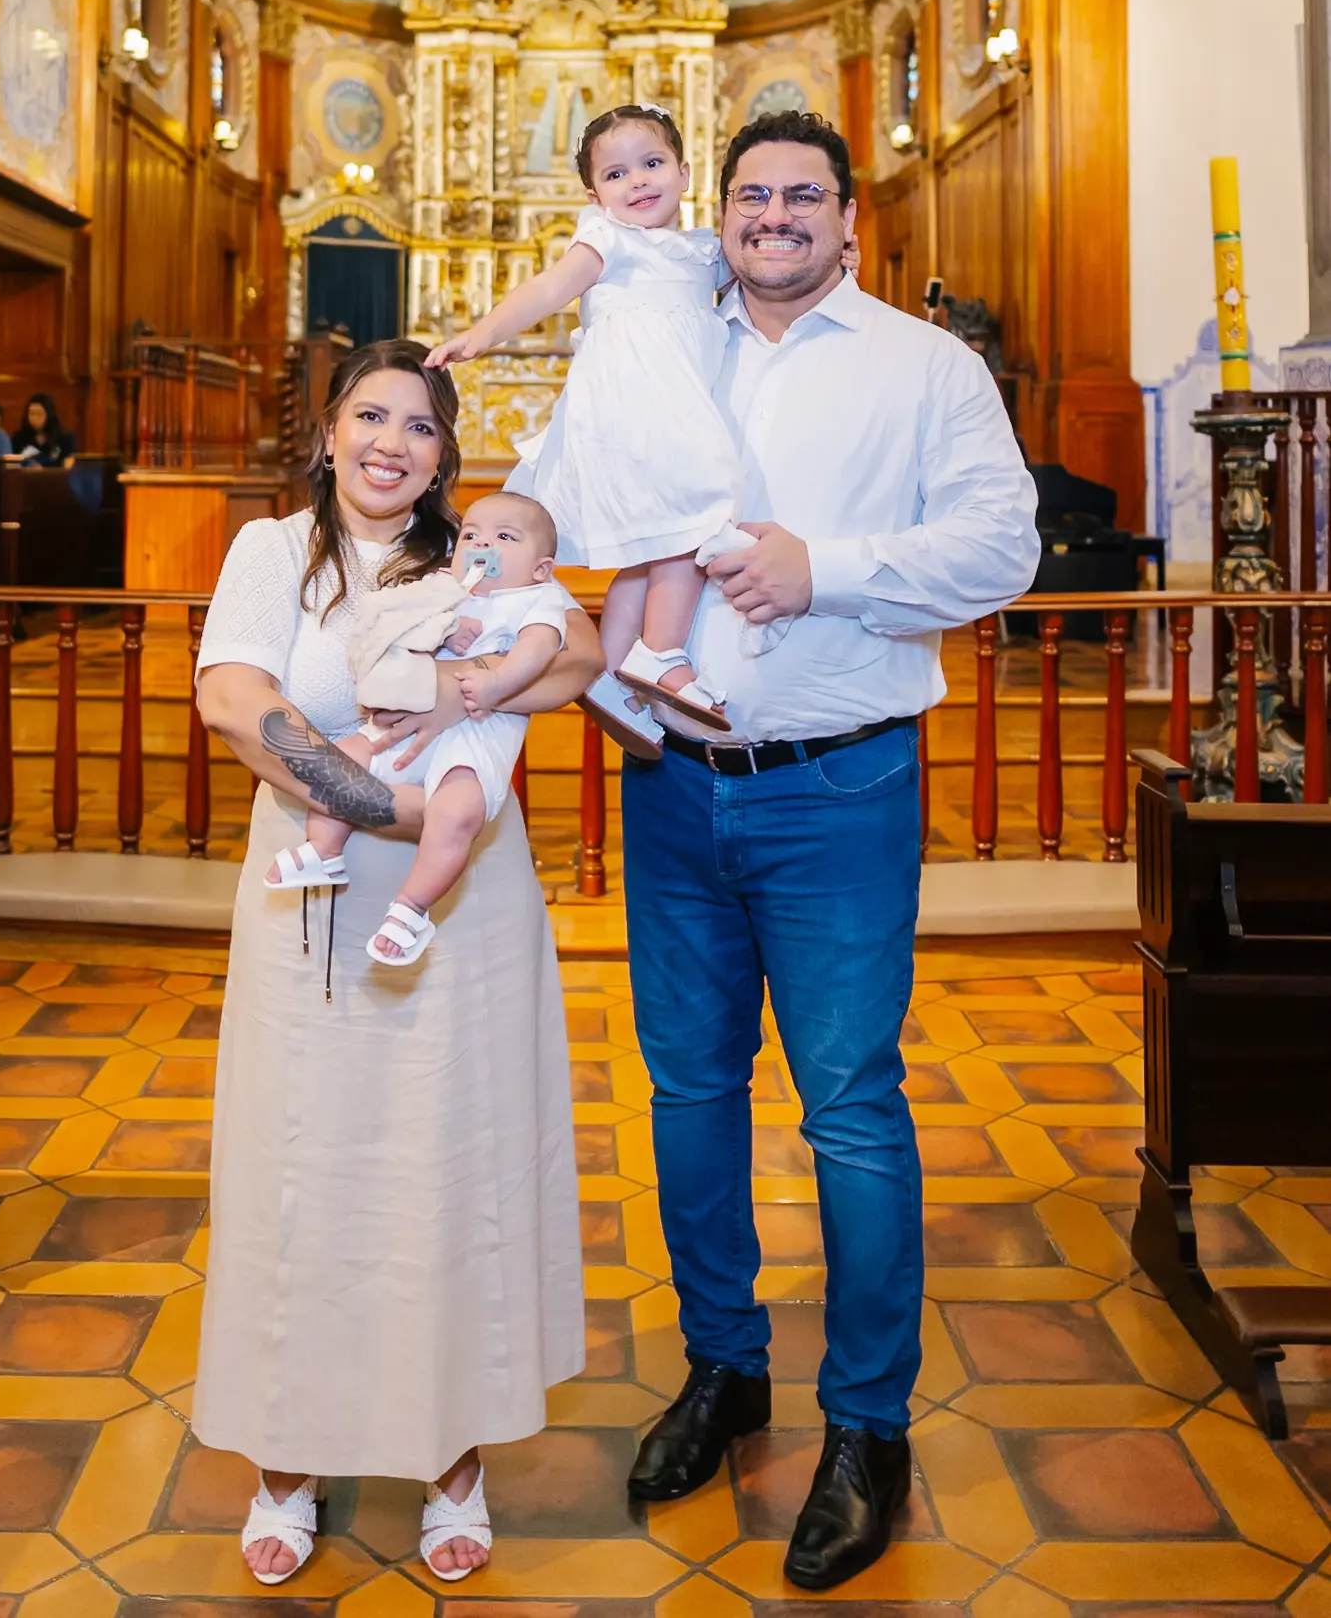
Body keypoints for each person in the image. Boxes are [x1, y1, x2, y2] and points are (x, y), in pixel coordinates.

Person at [619, 110, 1039, 1594]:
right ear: (718, 217)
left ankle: (866, 1424)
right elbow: (596, 504)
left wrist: (829, 569)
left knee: (850, 1108)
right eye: (750, 196)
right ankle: (722, 1368)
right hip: (670, 786)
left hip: (838, 789)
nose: (774, 215)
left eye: (803, 195)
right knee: (684, 1090)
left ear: (850, 219)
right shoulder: (662, 341)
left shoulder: (923, 368)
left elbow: (1003, 546)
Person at [192, 339, 597, 1588]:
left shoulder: (477, 556)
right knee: (298, 1172)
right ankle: (287, 1454)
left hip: (459, 918)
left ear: (443, 454)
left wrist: (496, 680)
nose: (391, 442)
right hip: (317, 898)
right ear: (326, 433)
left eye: (420, 426)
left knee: (444, 1168)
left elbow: (577, 657)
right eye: (370, 416)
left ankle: (450, 1458)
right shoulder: (271, 552)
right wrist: (384, 805)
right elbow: (232, 699)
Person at [428, 105, 757, 753]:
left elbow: (765, 272)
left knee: (646, 549)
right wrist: (481, 335)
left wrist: (841, 262)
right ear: (594, 195)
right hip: (633, 409)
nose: (636, 181)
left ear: (685, 172)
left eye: (652, 164)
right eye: (616, 173)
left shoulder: (701, 253)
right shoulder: (608, 240)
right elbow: (547, 292)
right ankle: (660, 652)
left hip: (669, 408)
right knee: (697, 515)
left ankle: (606, 675)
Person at [263, 491, 567, 968]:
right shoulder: (444, 586)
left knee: (455, 812)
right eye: (471, 535)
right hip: (401, 723)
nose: (482, 544)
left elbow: (540, 649)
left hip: (476, 734)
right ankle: (324, 849)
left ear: (541, 568)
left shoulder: (537, 599)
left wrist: (496, 684)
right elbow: (394, 629)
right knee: (341, 760)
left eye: (504, 537)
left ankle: (411, 909)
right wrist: (441, 626)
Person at [15, 393, 75, 468]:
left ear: (49, 415)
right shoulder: (19, 437)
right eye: (31, 414)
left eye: (39, 414)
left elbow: (68, 463)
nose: (34, 418)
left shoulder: (64, 437)